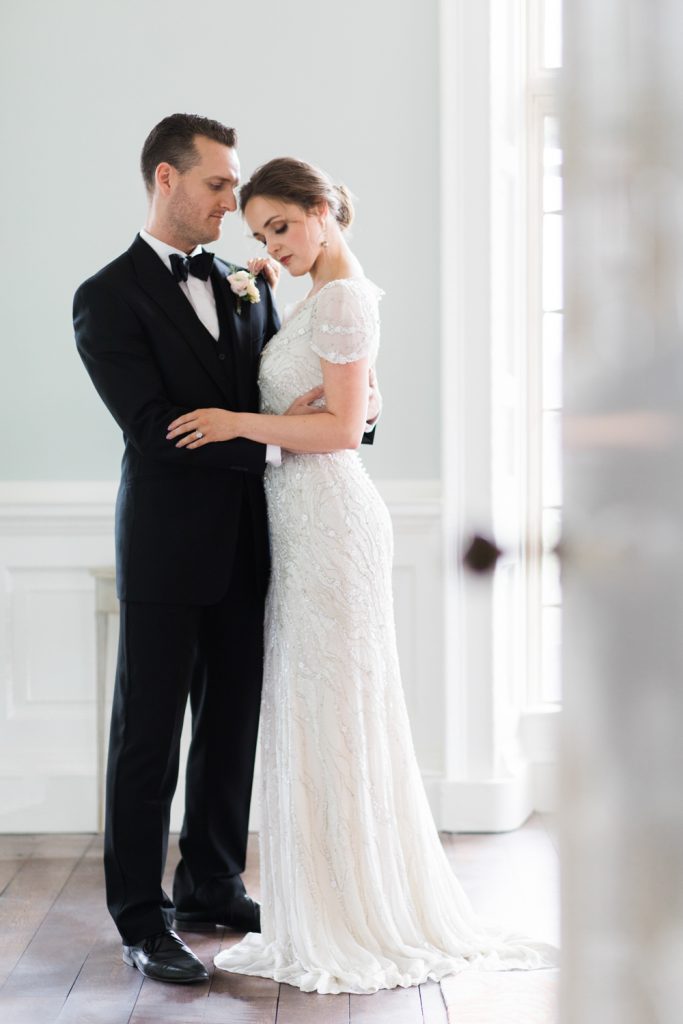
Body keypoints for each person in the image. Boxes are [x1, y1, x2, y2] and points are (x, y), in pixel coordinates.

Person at [166, 157, 558, 994]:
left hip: (329, 521)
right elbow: (350, 403)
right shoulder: (317, 296)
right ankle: (328, 902)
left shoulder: (342, 299)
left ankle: (354, 913)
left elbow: (342, 430)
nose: (272, 244)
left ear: (322, 210)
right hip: (300, 521)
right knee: (319, 711)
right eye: (259, 232)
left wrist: (240, 420)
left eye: (281, 225)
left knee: (335, 710)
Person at [73, 115, 378, 985]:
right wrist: (304, 437)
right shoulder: (106, 296)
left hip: (256, 539)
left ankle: (211, 881)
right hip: (167, 549)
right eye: (217, 185)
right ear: (166, 180)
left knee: (231, 725)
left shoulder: (246, 283)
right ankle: (140, 915)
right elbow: (158, 431)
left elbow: (288, 393)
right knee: (148, 737)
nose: (231, 202)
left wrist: (344, 424)